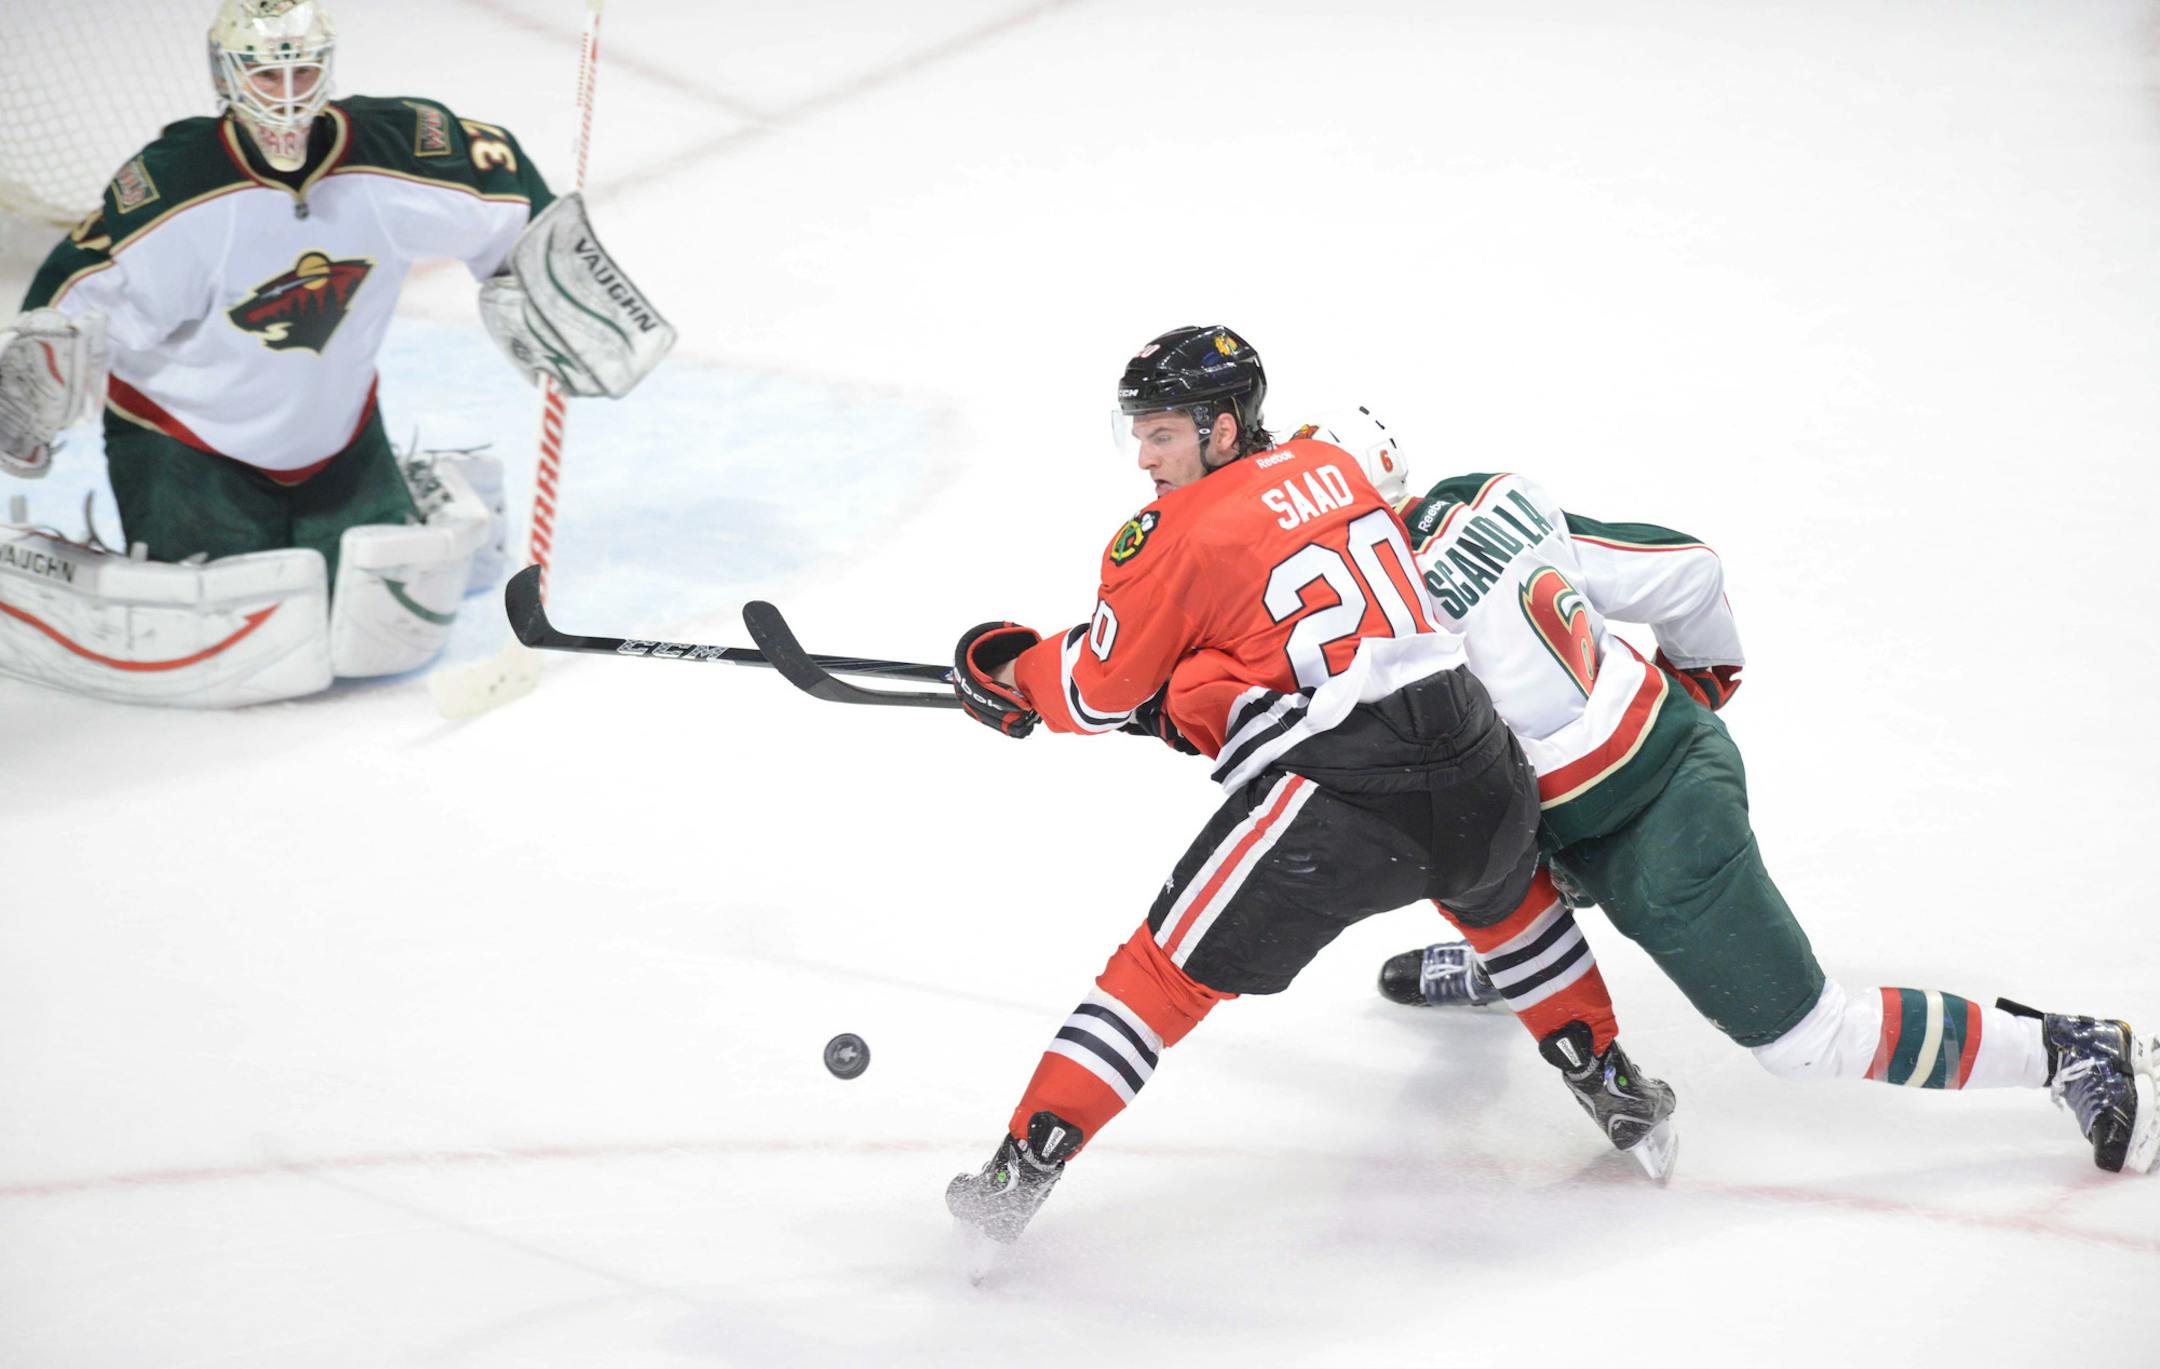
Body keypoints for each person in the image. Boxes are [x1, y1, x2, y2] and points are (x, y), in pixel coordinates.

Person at [937, 327, 1676, 1257]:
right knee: (1508, 903)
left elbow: (1093, 691)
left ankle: (1022, 1166)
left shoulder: (1170, 532)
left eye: (1163, 432)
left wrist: (1011, 673)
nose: (1145, 454)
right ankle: (1611, 1079)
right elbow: (1283, 616)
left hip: (1342, 799)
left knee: (1160, 975)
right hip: (1476, 753)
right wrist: (1198, 691)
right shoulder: (1333, 462)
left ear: (1220, 425)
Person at [1329, 413, 2157, 1175]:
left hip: (1658, 820)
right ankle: (1513, 964)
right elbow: (1687, 572)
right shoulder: (1486, 498)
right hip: (1646, 757)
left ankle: (2071, 1048)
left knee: (1804, 1036)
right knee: (1480, 815)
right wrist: (1699, 683)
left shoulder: (1382, 616)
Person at [0, 0, 669, 700]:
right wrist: (33, 382)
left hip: (338, 436)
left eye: (303, 72)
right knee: (243, 638)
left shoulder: (393, 151)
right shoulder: (176, 188)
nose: (288, 98)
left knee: (379, 629)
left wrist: (548, 274)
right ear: (227, 75)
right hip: (187, 447)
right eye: (266, 76)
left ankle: (418, 481)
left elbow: (500, 180)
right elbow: (73, 297)